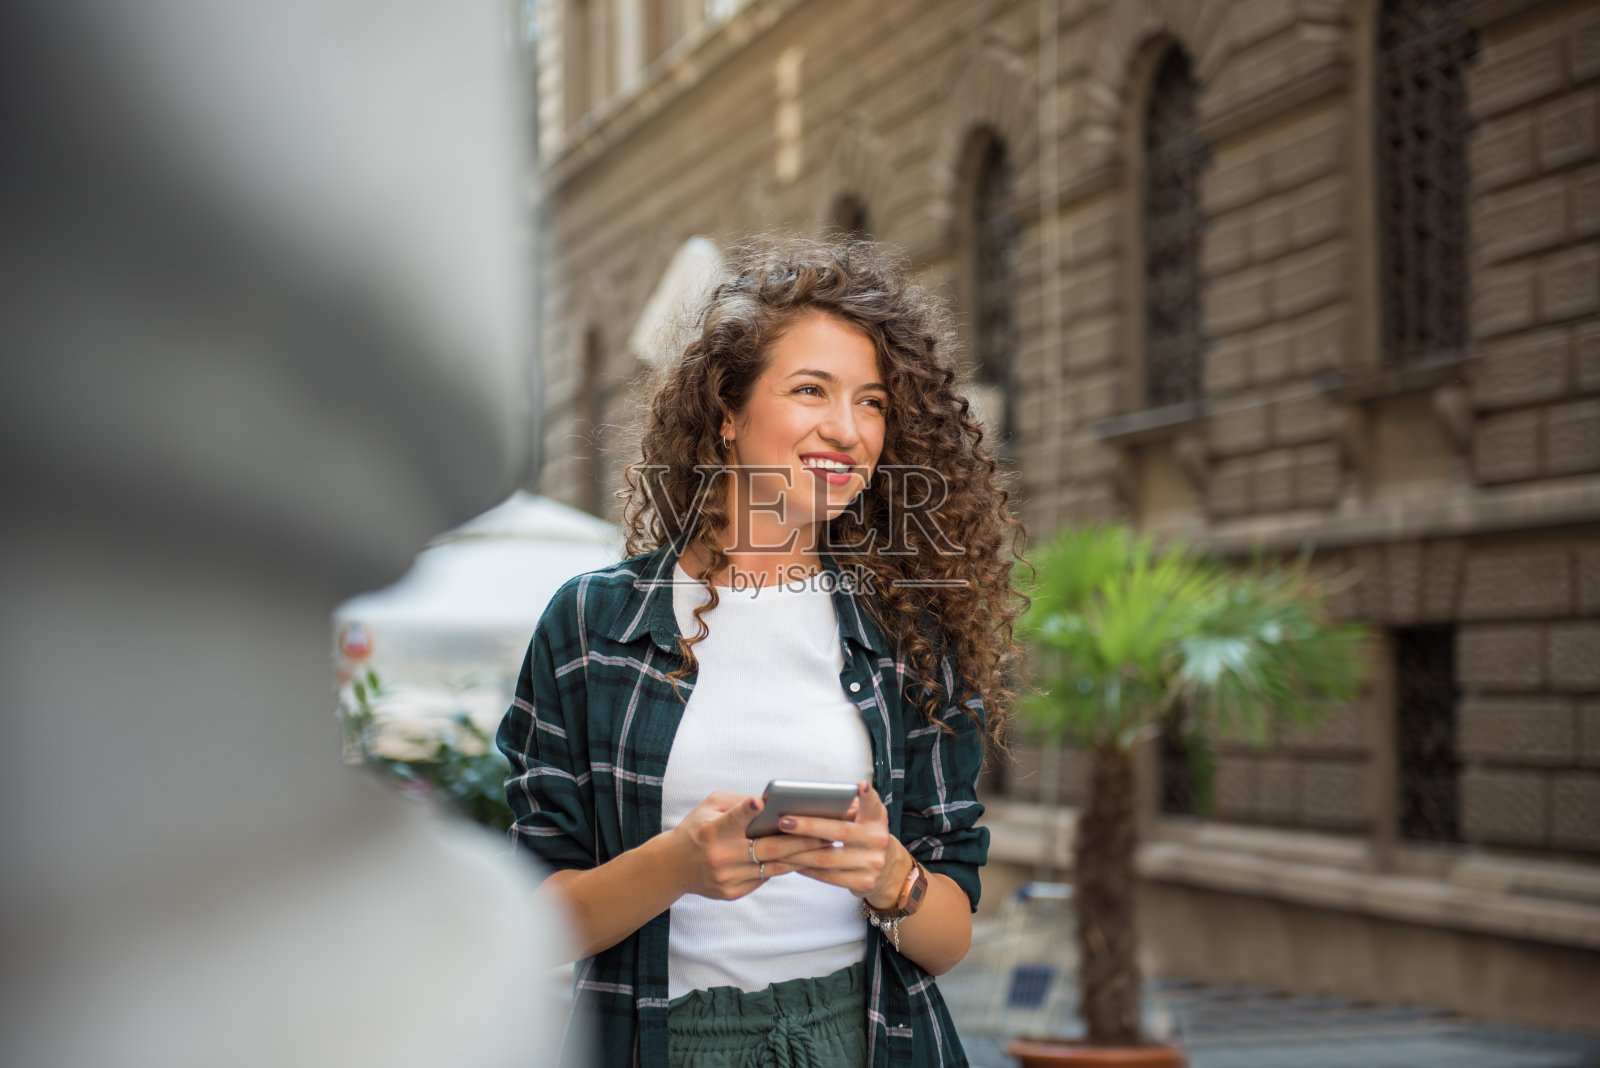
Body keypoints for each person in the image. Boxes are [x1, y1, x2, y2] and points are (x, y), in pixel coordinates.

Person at [498, 235, 1027, 1067]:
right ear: (729, 413)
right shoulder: (592, 623)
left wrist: (891, 876)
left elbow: (948, 936)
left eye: (874, 402)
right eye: (811, 389)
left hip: (865, 1036)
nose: (848, 430)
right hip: (663, 1040)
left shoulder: (908, 638)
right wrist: (676, 865)